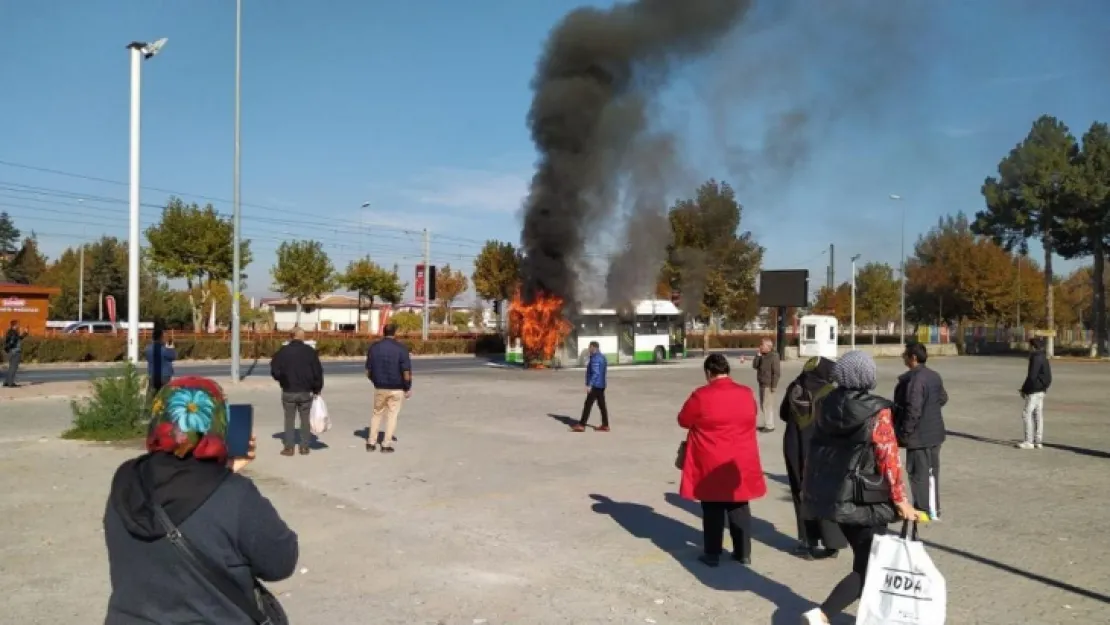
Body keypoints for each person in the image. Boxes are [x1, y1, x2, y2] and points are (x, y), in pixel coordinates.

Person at [103, 377, 298, 624]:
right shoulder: (234, 495)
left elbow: (183, 492)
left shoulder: (128, 480)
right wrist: (225, 475)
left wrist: (224, 471)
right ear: (217, 424)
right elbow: (280, 562)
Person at [801, 351, 917, 624]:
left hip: (834, 495)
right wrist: (901, 501)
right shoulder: (877, 411)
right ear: (868, 376)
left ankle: (871, 616)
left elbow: (815, 449)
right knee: (870, 567)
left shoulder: (826, 404)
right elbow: (888, 457)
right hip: (866, 498)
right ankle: (822, 614)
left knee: (867, 560)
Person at [677, 353, 767, 567]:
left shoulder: (701, 395)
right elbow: (753, 413)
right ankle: (743, 552)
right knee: (739, 504)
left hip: (712, 458)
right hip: (740, 458)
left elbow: (683, 420)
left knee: (713, 506)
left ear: (709, 372)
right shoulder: (746, 393)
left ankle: (712, 552)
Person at [779, 356, 846, 560]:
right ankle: (832, 542)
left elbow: (783, 413)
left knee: (801, 492)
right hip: (822, 447)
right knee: (826, 493)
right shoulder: (830, 392)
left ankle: (807, 542)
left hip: (795, 445)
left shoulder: (794, 387)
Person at [892, 341, 948, 521]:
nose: (903, 358)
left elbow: (913, 410)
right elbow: (943, 398)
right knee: (932, 472)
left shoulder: (914, 381)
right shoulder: (934, 375)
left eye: (905, 355)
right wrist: (930, 409)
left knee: (919, 473)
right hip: (934, 432)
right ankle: (933, 508)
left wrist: (905, 433)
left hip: (919, 435)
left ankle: (923, 509)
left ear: (913, 358)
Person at [270, 327, 324, 456]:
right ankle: (304, 447)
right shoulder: (310, 352)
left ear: (291, 336)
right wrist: (317, 388)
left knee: (289, 419)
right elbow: (318, 372)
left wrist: (282, 380)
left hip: (288, 390)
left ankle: (289, 447)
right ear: (302, 337)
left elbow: (274, 369)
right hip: (305, 391)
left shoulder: (283, 352)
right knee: (305, 419)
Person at [365, 323, 412, 453]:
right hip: (397, 388)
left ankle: (371, 442)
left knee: (376, 413)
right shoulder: (401, 349)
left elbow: (368, 371)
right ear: (395, 332)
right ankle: (386, 444)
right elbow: (406, 371)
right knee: (392, 416)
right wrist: (407, 387)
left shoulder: (374, 348)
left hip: (380, 386)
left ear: (383, 332)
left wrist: (375, 381)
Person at [1017, 336, 1051, 450]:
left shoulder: (1035, 358)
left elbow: (1031, 376)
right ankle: (1038, 440)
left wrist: (1024, 389)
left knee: (1026, 414)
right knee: (1038, 415)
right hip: (1041, 390)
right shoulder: (1043, 357)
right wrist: (1045, 387)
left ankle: (1028, 441)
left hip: (1034, 390)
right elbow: (1049, 376)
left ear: (1032, 346)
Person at [572, 341, 609, 432]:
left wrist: (590, 385)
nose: (589, 349)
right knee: (602, 406)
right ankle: (605, 425)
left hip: (595, 385)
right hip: (601, 385)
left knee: (588, 405)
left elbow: (595, 373)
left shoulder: (595, 358)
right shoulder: (603, 357)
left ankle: (581, 424)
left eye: (590, 347)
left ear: (594, 348)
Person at [751, 337, 781, 432]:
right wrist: (758, 355)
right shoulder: (762, 355)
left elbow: (776, 373)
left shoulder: (774, 356)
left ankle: (769, 426)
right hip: (762, 383)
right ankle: (768, 424)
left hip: (768, 384)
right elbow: (755, 366)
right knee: (764, 405)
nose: (760, 346)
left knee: (767, 405)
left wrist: (774, 386)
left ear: (769, 346)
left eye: (762, 345)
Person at [143, 326, 177, 406]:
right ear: (161, 337)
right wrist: (171, 347)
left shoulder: (148, 349)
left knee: (151, 396)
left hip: (153, 375)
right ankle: (163, 412)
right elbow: (173, 356)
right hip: (164, 376)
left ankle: (147, 412)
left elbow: (148, 358)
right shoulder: (164, 349)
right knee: (165, 396)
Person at [3, 319, 28, 388]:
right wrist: (13, 348)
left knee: (11, 367)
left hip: (10, 351)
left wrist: (25, 333)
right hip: (15, 351)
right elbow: (14, 341)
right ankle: (11, 383)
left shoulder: (9, 331)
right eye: (18, 324)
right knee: (13, 368)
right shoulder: (14, 332)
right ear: (15, 325)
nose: (19, 326)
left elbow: (17, 339)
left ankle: (6, 382)